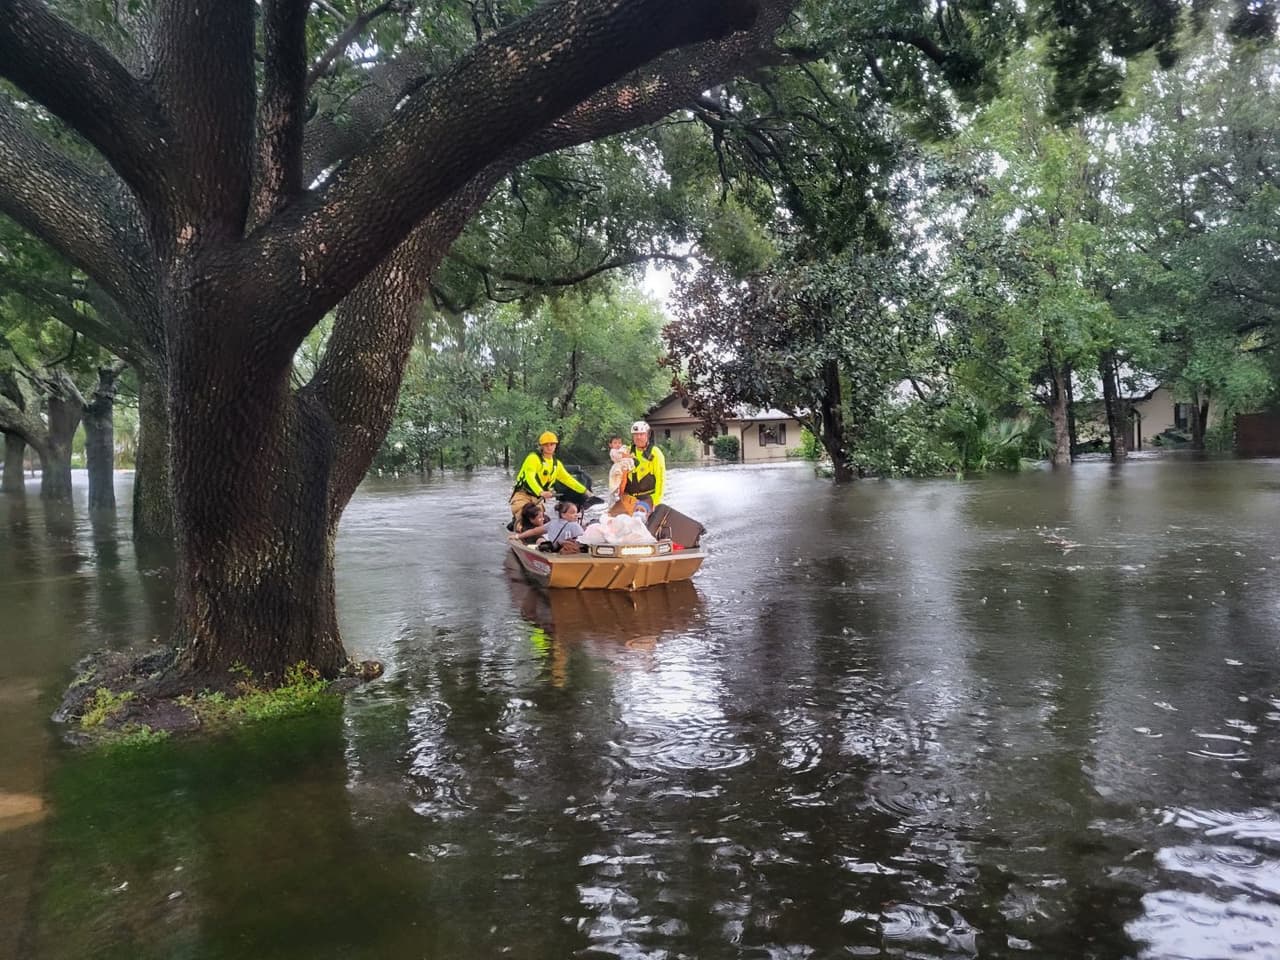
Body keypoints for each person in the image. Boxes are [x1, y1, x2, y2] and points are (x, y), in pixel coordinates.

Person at [509, 430, 586, 523]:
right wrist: (541, 492)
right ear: (541, 446)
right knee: (523, 518)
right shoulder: (533, 458)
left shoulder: (556, 464)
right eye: (546, 445)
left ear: (555, 445)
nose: (549, 447)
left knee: (540, 520)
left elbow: (568, 480)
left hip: (537, 499)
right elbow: (530, 477)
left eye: (552, 444)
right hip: (523, 495)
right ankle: (518, 531)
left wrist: (585, 491)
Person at [622, 419, 665, 511]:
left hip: (648, 497)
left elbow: (660, 480)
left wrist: (657, 502)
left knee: (639, 514)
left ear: (647, 435)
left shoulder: (655, 453)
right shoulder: (627, 451)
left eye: (641, 434)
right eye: (635, 435)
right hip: (629, 497)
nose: (638, 437)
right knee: (611, 519)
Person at [606, 435, 634, 506]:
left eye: (619, 443)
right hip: (617, 468)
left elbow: (626, 454)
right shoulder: (613, 451)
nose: (618, 445)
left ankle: (621, 494)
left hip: (623, 466)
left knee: (623, 481)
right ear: (610, 445)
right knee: (617, 483)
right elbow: (621, 456)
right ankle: (619, 495)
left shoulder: (621, 450)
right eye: (615, 443)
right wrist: (629, 455)